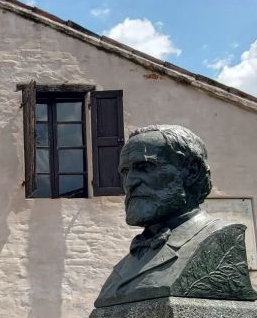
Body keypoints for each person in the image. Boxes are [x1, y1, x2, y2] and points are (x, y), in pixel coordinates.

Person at [95, 124, 256, 307]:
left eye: (145, 167)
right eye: (125, 171)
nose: (130, 182)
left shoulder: (219, 240)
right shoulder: (123, 268)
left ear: (191, 172)